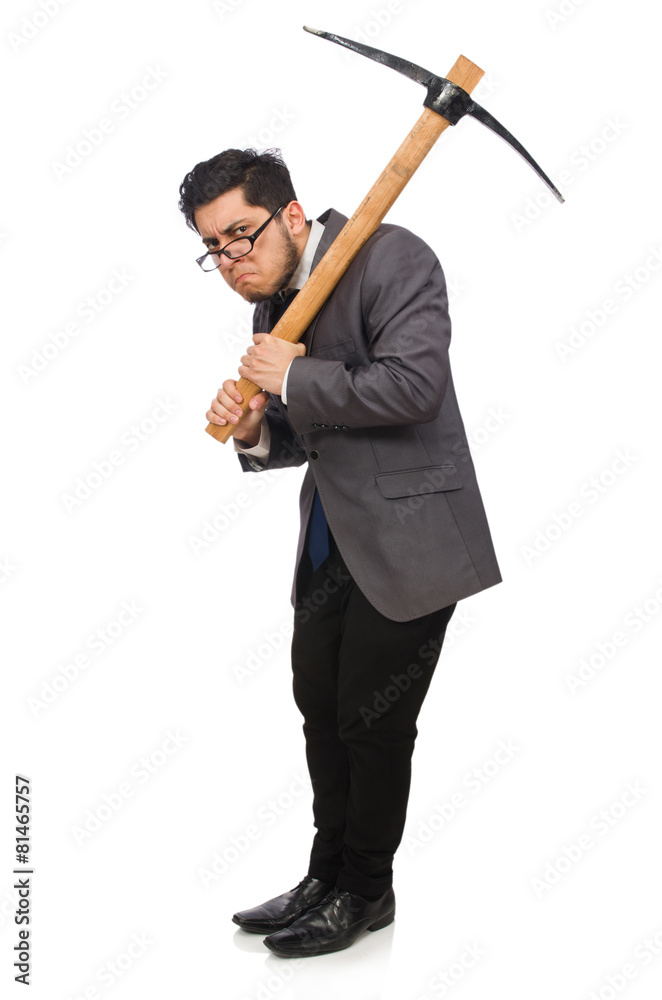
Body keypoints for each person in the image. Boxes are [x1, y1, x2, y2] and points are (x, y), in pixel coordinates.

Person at [178, 148, 502, 958]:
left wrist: (296, 372)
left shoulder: (393, 258)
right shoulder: (273, 307)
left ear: (291, 214)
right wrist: (260, 430)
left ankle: (367, 890)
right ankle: (326, 875)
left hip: (412, 538)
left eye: (241, 236)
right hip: (329, 537)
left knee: (372, 719)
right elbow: (312, 432)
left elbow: (411, 388)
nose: (230, 262)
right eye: (213, 248)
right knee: (320, 706)